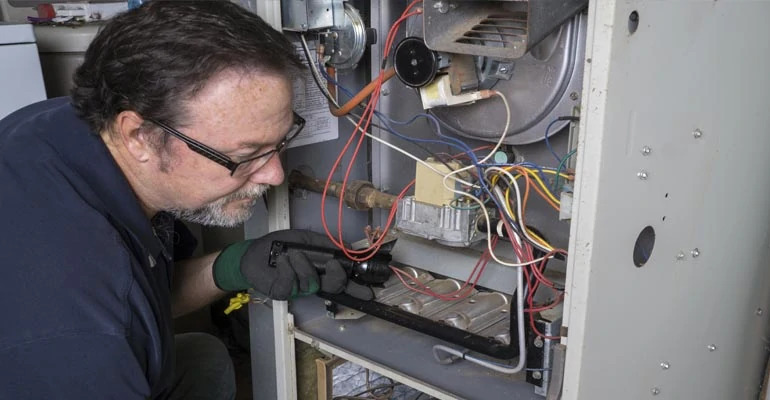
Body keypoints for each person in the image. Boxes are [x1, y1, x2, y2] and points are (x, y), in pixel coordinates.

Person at [0, 1, 365, 398]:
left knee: (202, 358)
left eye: (279, 143)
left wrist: (235, 264)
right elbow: (114, 310)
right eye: (245, 156)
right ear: (139, 136)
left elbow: (146, 291)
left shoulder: (66, 125)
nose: (274, 174)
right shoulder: (84, 336)